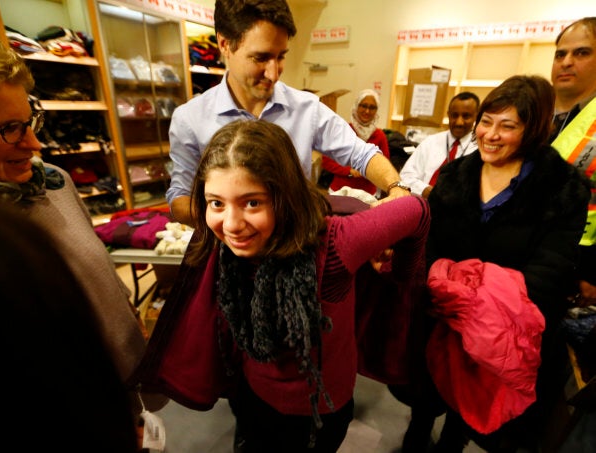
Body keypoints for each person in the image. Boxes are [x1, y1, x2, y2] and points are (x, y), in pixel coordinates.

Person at [137, 119, 430, 452]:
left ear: (285, 196)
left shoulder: (334, 245)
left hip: (317, 417)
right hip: (250, 395)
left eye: (252, 203)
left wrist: (399, 278)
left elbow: (416, 210)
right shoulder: (226, 246)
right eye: (216, 203)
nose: (231, 225)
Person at [0, 23, 165, 423]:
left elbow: (96, 274)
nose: (34, 145)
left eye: (29, 121)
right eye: (9, 130)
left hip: (122, 391)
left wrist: (127, 321)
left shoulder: (53, 182)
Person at [400, 75, 591, 453]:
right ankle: (416, 435)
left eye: (508, 126)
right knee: (427, 394)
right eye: (486, 122)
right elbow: (432, 242)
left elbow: (549, 267)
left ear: (533, 130)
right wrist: (440, 289)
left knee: (470, 407)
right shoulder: (456, 174)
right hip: (443, 313)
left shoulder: (562, 188)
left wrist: (479, 304)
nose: (490, 134)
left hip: (503, 327)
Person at [166, 0, 409, 226]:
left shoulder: (306, 108)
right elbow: (180, 198)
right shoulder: (190, 119)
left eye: (280, 56)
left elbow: (362, 154)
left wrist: (396, 187)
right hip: (227, 254)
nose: (273, 73)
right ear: (224, 44)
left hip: (295, 254)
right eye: (260, 58)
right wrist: (231, 221)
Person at [0, 184, 139, 452]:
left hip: (107, 371)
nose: (33, 144)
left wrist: (125, 301)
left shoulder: (55, 182)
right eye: (10, 136)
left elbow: (97, 257)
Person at [549, 17, 596, 310]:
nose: (566, 62)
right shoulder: (545, 113)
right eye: (560, 54)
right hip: (545, 259)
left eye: (582, 53)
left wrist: (592, 271)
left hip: (585, 267)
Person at [399, 91, 480, 198]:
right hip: (422, 204)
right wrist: (425, 190)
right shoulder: (430, 142)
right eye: (454, 115)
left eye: (466, 116)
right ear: (448, 115)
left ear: (476, 117)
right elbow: (405, 176)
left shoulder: (479, 149)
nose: (459, 122)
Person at [320, 89, 390, 197]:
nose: (367, 111)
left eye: (372, 107)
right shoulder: (343, 130)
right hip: (339, 192)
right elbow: (326, 161)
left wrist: (367, 170)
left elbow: (385, 165)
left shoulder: (380, 136)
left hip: (367, 195)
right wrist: (349, 171)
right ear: (356, 106)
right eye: (363, 106)